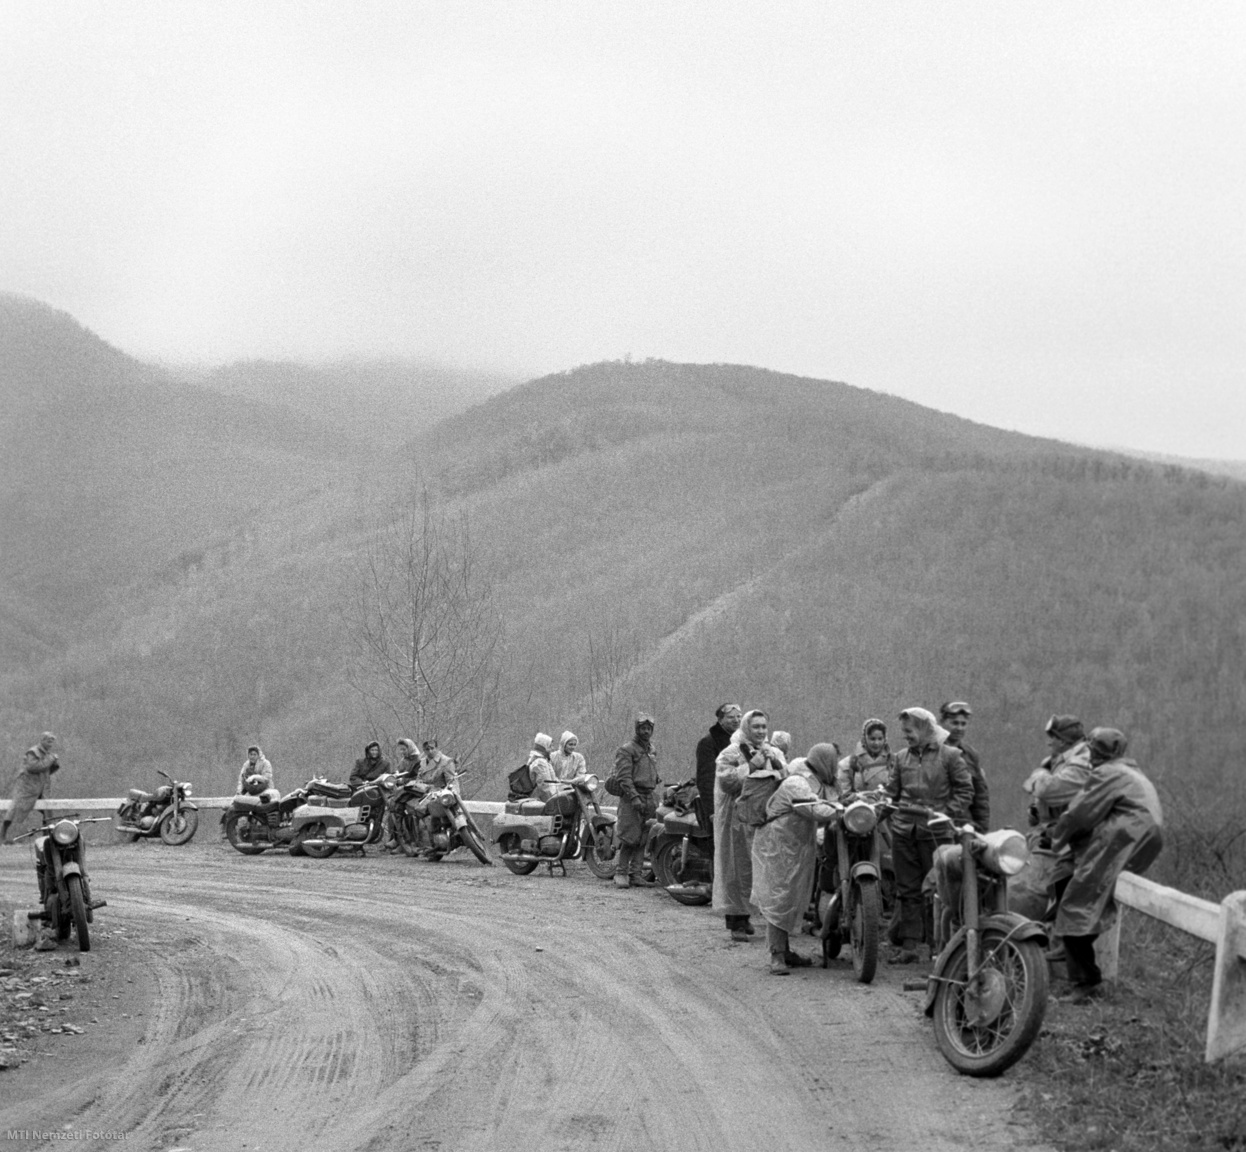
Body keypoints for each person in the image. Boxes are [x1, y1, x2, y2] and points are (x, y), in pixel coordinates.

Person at [1051, 727, 1164, 1001]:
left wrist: (1056, 836)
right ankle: (1065, 945)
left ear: (1095, 750)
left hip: (1124, 835)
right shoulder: (1129, 771)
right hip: (1147, 836)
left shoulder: (1106, 773)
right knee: (1082, 887)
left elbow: (1080, 813)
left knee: (1079, 901)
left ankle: (1085, 981)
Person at [886, 706, 974, 964]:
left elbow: (965, 791)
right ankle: (910, 946)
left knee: (939, 890)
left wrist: (946, 812)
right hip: (904, 831)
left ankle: (940, 948)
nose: (906, 736)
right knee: (907, 889)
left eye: (909, 730)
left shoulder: (951, 756)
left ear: (925, 729)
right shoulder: (901, 757)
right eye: (904, 732)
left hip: (936, 833)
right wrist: (869, 814)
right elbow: (892, 794)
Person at [752, 743, 841, 974]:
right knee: (779, 900)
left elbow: (825, 801)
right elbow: (814, 809)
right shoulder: (798, 783)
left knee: (791, 899)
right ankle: (776, 956)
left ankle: (786, 950)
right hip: (777, 847)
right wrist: (843, 810)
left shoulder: (811, 780)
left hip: (792, 848)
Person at [714, 709, 786, 941]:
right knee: (736, 868)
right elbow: (726, 781)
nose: (760, 731)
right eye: (756, 727)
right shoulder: (732, 752)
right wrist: (751, 766)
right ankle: (736, 920)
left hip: (763, 819)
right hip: (736, 820)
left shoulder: (772, 751)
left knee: (760, 868)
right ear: (746, 728)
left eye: (764, 727)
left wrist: (774, 761)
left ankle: (752, 915)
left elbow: (785, 777)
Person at [612, 714, 660, 889]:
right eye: (643, 728)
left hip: (649, 796)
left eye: (649, 728)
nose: (646, 732)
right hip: (632, 797)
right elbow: (624, 777)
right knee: (629, 836)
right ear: (637, 729)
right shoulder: (627, 750)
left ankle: (636, 874)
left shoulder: (651, 749)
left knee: (643, 837)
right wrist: (634, 797)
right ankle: (621, 872)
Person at [1024, 715, 1093, 828]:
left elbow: (1048, 790)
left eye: (1052, 737)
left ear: (1062, 741)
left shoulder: (1083, 762)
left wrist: (1039, 773)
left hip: (1074, 837)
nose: (1049, 743)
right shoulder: (1064, 758)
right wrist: (1038, 809)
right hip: (1059, 831)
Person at [940, 702, 990, 832]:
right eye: (954, 723)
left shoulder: (970, 754)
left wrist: (982, 829)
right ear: (942, 722)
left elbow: (980, 796)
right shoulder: (931, 750)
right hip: (936, 823)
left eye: (963, 724)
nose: (959, 728)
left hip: (962, 825)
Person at [694, 704, 741, 839]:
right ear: (720, 720)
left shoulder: (741, 742)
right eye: (731, 717)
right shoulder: (708, 743)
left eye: (739, 716)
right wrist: (712, 811)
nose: (736, 720)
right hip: (720, 804)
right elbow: (705, 780)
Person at [2, 732, 59, 844]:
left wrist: (54, 763)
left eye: (52, 742)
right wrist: (50, 760)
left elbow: (46, 770)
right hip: (27, 787)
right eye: (48, 741)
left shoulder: (47, 754)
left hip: (41, 788)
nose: (50, 744)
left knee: (47, 813)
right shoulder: (33, 752)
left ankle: (47, 838)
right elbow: (33, 767)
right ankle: (2, 835)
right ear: (42, 740)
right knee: (13, 810)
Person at [835, 719, 893, 797]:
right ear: (864, 739)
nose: (876, 743)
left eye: (880, 739)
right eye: (872, 739)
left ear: (885, 739)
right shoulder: (848, 764)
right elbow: (845, 796)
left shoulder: (894, 761)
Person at [526, 733, 560, 802]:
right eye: (550, 746)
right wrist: (555, 802)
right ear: (544, 747)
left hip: (539, 802)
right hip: (540, 804)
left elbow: (553, 782)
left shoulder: (539, 760)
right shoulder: (540, 763)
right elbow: (546, 788)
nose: (553, 749)